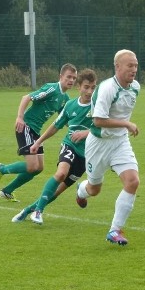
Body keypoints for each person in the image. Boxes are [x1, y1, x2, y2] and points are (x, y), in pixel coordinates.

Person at [12, 69, 97, 224]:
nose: (89, 91)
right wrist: (37, 143)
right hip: (70, 145)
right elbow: (55, 126)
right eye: (86, 87)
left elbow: (107, 128)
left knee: (57, 191)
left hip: (87, 154)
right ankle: (38, 212)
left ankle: (28, 210)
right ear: (79, 87)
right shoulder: (70, 105)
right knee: (60, 174)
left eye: (93, 88)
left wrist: (86, 133)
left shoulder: (98, 106)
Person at [74, 50, 141, 246]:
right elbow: (98, 120)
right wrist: (126, 125)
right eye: (130, 65)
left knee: (132, 181)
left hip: (120, 142)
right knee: (94, 189)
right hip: (98, 144)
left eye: (136, 65)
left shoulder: (135, 87)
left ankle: (114, 230)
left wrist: (123, 128)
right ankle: (81, 191)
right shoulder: (106, 89)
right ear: (117, 67)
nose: (134, 69)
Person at [0, 63, 78, 202]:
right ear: (61, 76)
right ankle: (2, 168)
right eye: (69, 77)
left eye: (74, 78)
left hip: (36, 132)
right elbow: (26, 97)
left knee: (39, 168)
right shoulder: (52, 88)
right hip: (25, 126)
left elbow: (64, 120)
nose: (72, 80)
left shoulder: (65, 99)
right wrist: (20, 117)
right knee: (32, 166)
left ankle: (7, 191)